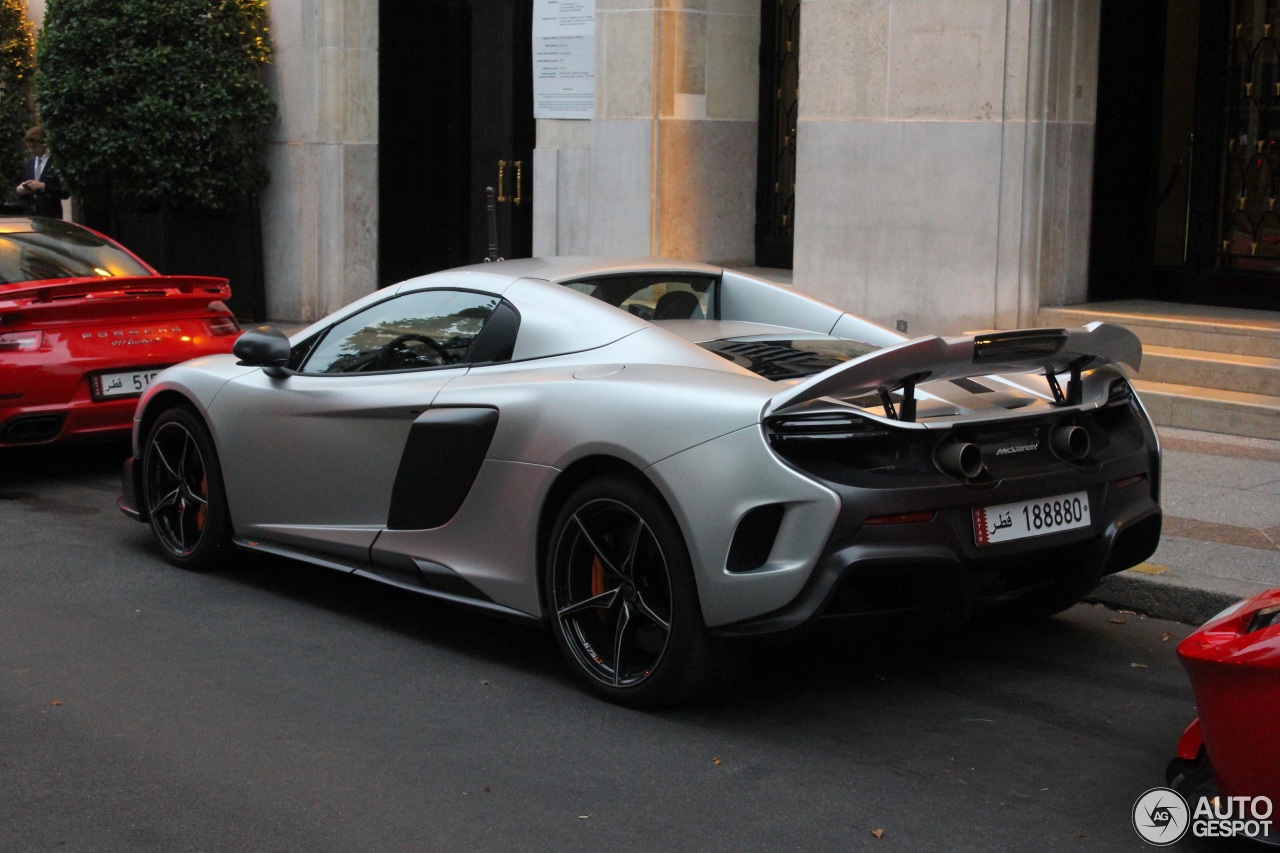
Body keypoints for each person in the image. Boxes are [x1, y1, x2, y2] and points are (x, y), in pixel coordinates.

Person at [15, 126, 69, 219]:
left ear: (44, 144)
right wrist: (19, 191)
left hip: (51, 217)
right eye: (29, 147)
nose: (32, 150)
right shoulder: (28, 165)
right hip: (31, 217)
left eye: (35, 147)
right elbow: (21, 190)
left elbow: (65, 193)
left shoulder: (55, 163)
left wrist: (44, 187)